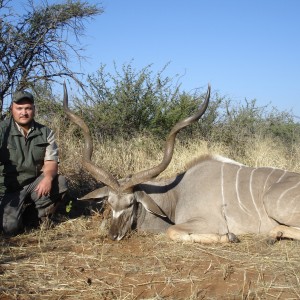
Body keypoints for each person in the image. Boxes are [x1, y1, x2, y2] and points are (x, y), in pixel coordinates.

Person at [0, 90, 68, 235]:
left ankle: (34, 216)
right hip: (9, 189)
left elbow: (51, 162)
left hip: (33, 184)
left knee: (60, 183)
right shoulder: (2, 130)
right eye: (19, 108)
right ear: (12, 108)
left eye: (28, 108)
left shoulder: (45, 132)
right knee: (10, 229)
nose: (23, 112)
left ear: (34, 110)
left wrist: (48, 178)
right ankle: (17, 215)